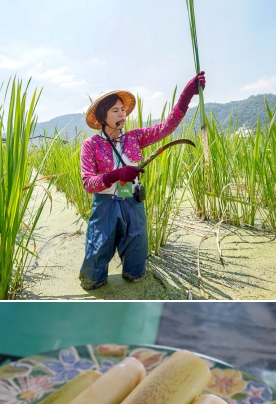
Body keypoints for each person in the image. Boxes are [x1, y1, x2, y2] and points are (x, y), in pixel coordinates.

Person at [77, 71, 207, 291]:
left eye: (123, 110)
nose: (122, 114)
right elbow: (88, 183)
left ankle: (133, 275)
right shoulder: (91, 145)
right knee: (97, 251)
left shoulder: (134, 137)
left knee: (136, 252)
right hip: (105, 206)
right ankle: (93, 280)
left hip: (132, 203)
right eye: (115, 110)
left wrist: (186, 96)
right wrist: (116, 175)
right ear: (102, 116)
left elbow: (167, 126)